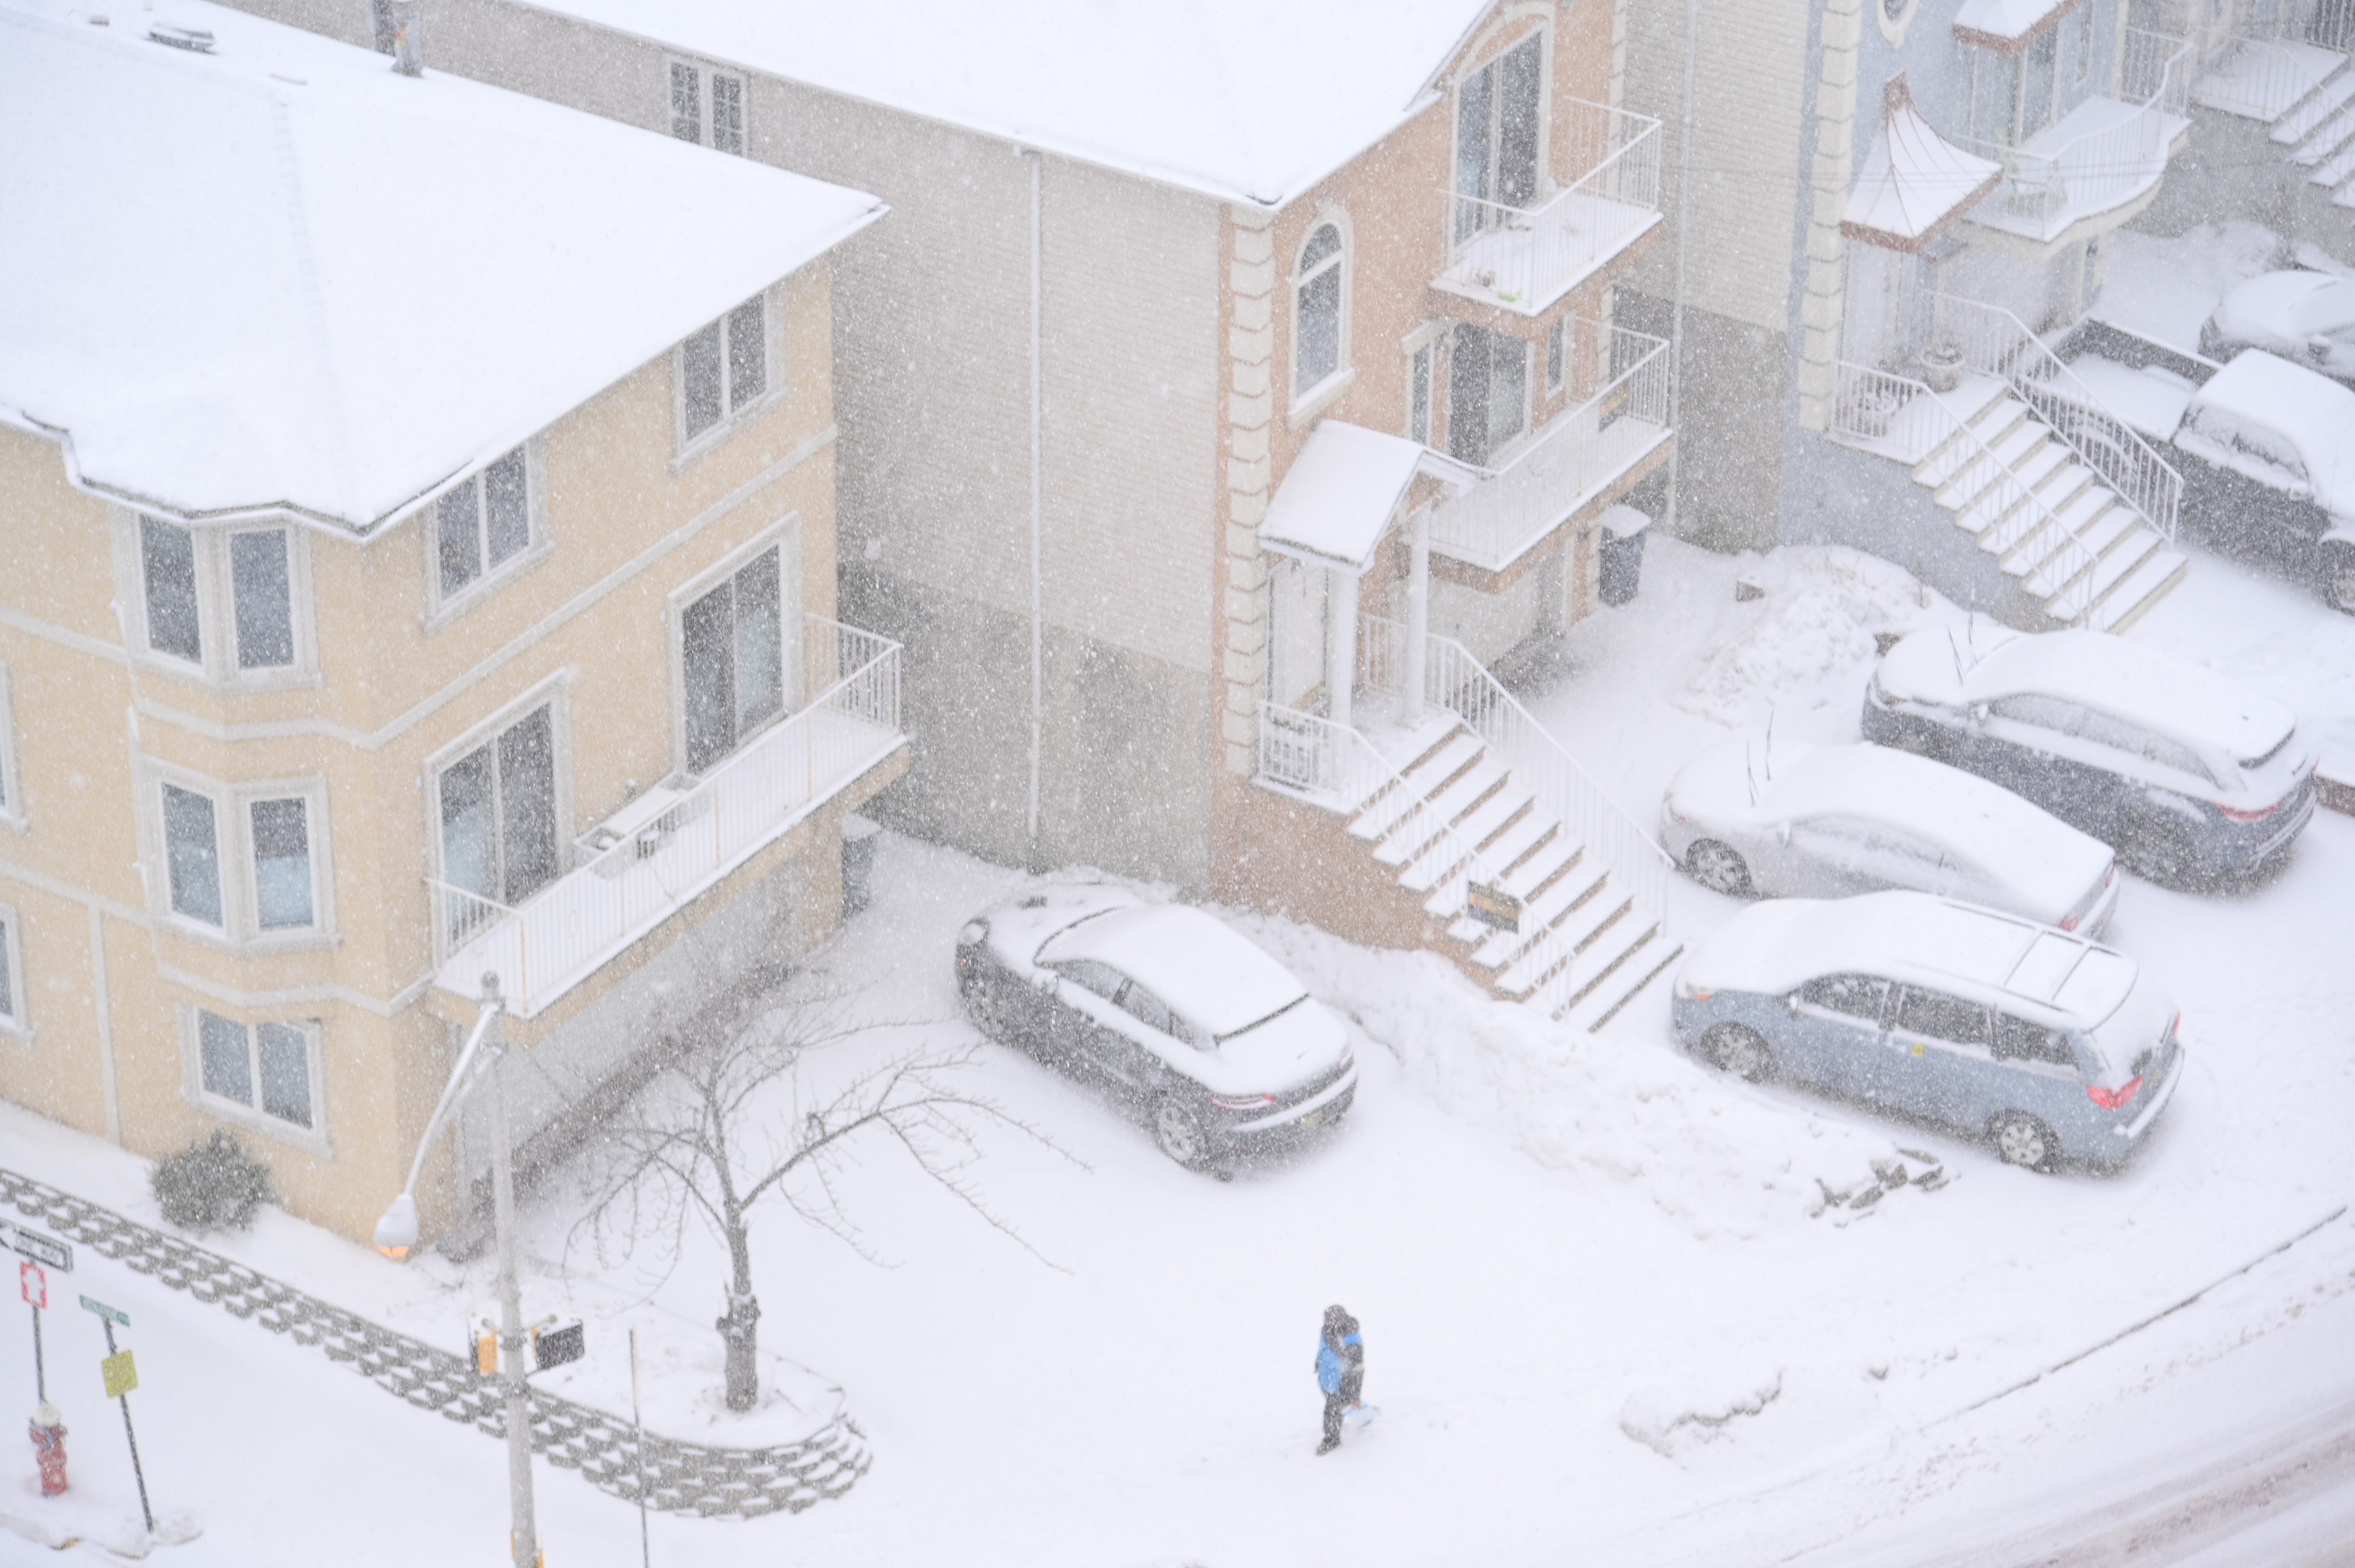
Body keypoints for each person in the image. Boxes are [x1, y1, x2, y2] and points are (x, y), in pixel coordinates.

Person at [1314, 1304, 1363, 1455]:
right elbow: (1323, 1348)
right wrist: (1319, 1361)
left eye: (1329, 1320)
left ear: (1337, 1320)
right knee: (1337, 1405)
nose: (1326, 1323)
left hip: (1341, 1382)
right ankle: (1354, 1407)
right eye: (1325, 1319)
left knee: (1332, 1410)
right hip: (1327, 1379)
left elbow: (1356, 1369)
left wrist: (1354, 1394)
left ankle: (1332, 1440)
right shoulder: (1327, 1330)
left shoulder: (1351, 1337)